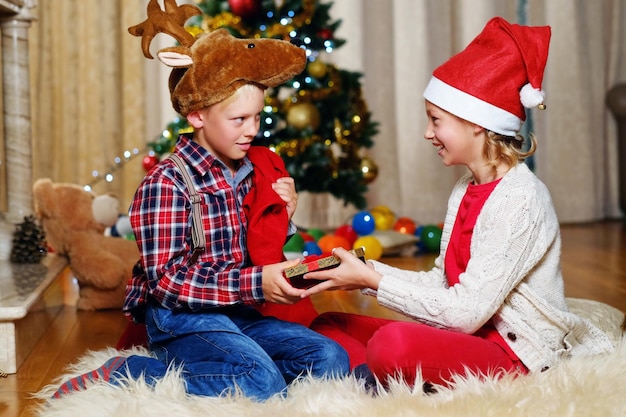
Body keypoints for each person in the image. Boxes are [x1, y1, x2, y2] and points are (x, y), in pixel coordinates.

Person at [51, 1, 348, 401]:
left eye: (257, 118)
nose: (251, 131)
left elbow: (259, 245)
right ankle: (134, 370)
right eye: (239, 120)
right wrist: (256, 283)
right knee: (259, 382)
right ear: (196, 115)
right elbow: (169, 282)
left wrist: (285, 216)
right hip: (182, 317)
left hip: (237, 311)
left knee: (329, 357)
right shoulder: (167, 184)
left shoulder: (248, 171)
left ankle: (239, 371)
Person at [301, 17, 614, 391]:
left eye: (436, 120)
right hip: (470, 339)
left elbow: (465, 313)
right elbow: (442, 282)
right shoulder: (466, 188)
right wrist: (366, 273)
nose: (427, 133)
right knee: (329, 326)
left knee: (392, 345)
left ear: (477, 123)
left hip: (513, 355)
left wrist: (374, 280)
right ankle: (383, 379)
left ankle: (380, 378)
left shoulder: (521, 198)